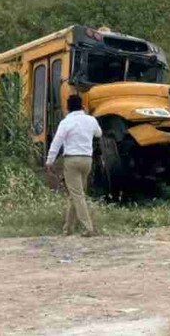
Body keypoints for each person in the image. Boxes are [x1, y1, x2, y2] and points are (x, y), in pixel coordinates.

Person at [45, 94, 102, 237]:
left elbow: (56, 142)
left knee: (77, 195)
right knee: (75, 193)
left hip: (72, 161)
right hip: (87, 160)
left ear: (67, 107)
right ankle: (68, 228)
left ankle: (89, 227)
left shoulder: (66, 122)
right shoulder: (91, 120)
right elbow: (99, 134)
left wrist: (49, 161)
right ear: (82, 106)